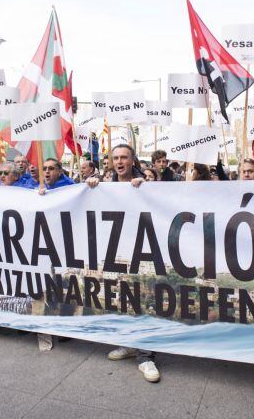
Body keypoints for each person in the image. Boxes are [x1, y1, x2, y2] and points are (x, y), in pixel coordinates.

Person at [86, 144, 158, 383]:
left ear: (132, 160)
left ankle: (146, 357)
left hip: (142, 252)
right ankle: (128, 344)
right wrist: (92, 188)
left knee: (143, 300)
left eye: (124, 157)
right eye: (115, 158)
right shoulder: (105, 186)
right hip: (116, 253)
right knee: (121, 299)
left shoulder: (144, 183)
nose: (119, 161)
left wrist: (145, 188)